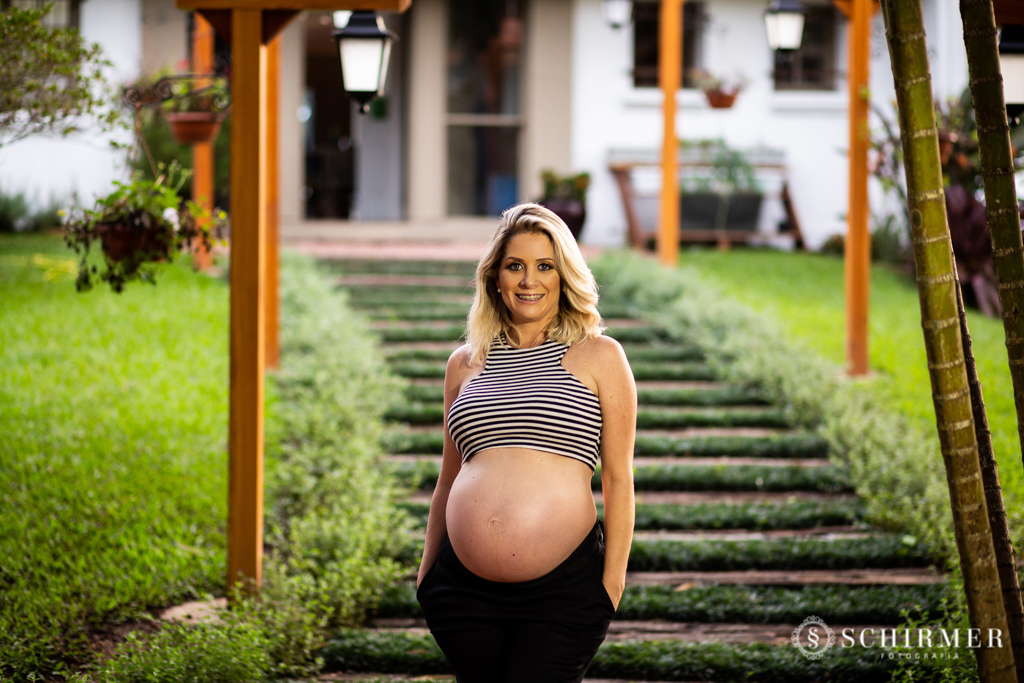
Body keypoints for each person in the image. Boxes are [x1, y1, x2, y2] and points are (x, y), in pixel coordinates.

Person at [415, 203, 638, 683]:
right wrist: (427, 573)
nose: (528, 279)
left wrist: (611, 586)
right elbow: (448, 478)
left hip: (563, 591)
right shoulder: (465, 363)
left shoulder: (600, 356)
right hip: (460, 591)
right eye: (515, 265)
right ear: (495, 277)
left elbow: (619, 477)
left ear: (564, 277)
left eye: (545, 266)